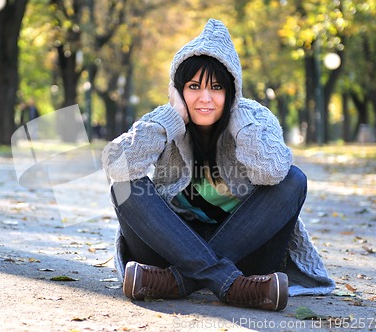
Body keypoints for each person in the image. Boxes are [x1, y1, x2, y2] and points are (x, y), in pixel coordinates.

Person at [101, 19, 335, 311]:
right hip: (169, 247)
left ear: (232, 90)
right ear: (178, 90)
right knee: (125, 185)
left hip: (247, 252)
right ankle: (232, 286)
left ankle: (177, 282)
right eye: (194, 86)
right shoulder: (163, 119)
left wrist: (239, 118)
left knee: (293, 179)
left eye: (217, 87)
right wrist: (172, 118)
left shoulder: (255, 119)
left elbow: (272, 171)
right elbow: (116, 165)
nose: (205, 98)